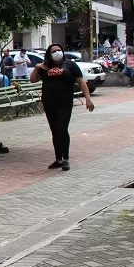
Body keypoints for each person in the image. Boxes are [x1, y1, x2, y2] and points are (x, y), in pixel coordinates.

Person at [32, 43, 94, 172]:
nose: (57, 52)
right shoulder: (45, 67)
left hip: (64, 102)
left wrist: (88, 98)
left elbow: (81, 82)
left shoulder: (70, 65)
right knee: (54, 130)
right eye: (54, 51)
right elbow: (33, 80)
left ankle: (65, 158)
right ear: (49, 54)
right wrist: (37, 68)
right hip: (49, 102)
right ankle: (58, 158)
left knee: (62, 128)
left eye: (59, 50)